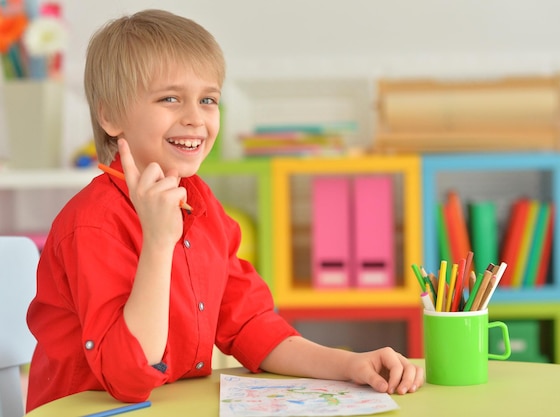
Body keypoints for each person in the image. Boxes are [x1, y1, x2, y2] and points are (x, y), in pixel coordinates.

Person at [25, 9, 424, 411]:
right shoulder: (93, 225)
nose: (195, 118)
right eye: (170, 98)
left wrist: (351, 364)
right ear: (110, 115)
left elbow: (252, 327)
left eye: (208, 100)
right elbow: (127, 376)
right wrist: (160, 242)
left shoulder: (201, 206)